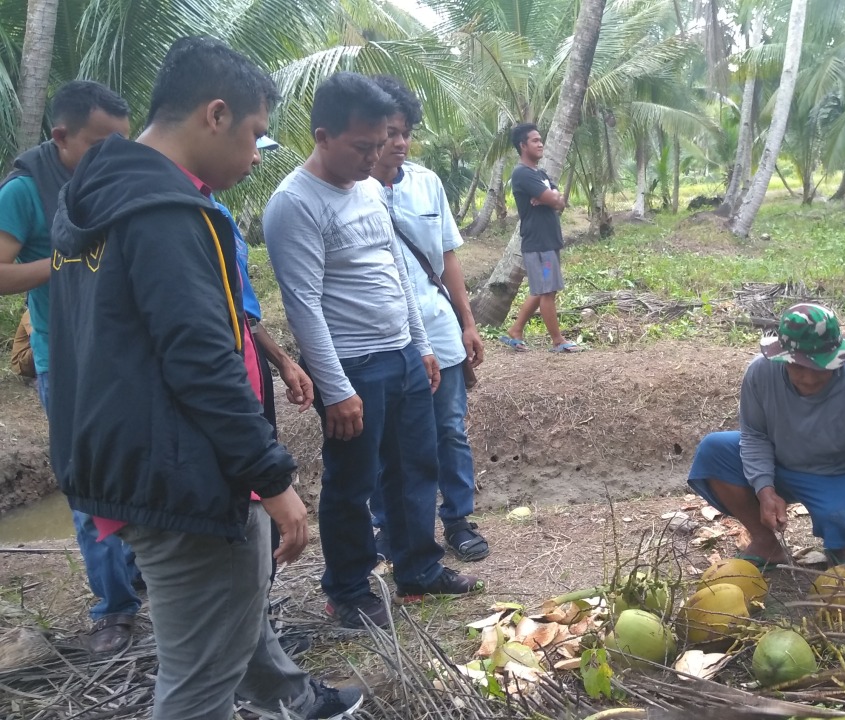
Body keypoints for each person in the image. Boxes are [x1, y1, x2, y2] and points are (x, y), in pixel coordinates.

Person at [48, 36, 361, 719]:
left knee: (220, 623)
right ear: (214, 115)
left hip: (125, 464)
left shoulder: (93, 201)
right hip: (185, 474)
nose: (255, 157)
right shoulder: (166, 214)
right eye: (254, 134)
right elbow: (201, 361)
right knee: (196, 690)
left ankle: (292, 697)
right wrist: (272, 478)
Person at [263, 72, 483, 631]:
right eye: (362, 146)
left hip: (403, 355)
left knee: (416, 464)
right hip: (353, 365)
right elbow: (304, 306)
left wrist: (421, 346)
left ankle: (418, 568)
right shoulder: (293, 204)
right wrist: (335, 389)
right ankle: (349, 588)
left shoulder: (366, 189)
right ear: (322, 135)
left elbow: (396, 276)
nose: (373, 156)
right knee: (352, 482)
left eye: (379, 143)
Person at [0, 80, 141, 655]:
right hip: (69, 358)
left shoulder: (115, 176)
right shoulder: (25, 189)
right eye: (99, 143)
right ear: (60, 136)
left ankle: (139, 576)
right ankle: (114, 610)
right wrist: (65, 262)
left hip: (124, 353)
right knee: (89, 487)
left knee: (134, 472)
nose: (115, 155)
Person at [687, 303, 845, 594]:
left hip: (841, 474)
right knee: (713, 451)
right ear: (781, 357)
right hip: (780, 463)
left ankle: (840, 545)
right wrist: (765, 489)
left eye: (820, 367)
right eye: (798, 366)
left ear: (837, 359)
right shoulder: (761, 374)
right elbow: (755, 435)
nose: (809, 377)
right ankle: (766, 543)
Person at [365, 75, 489, 563]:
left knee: (450, 430)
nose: (399, 142)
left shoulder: (427, 183)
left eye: (405, 132)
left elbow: (447, 258)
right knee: (387, 439)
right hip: (387, 338)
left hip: (438, 326)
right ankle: (389, 525)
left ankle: (457, 518)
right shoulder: (352, 191)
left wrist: (468, 321)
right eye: (390, 132)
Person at [499, 123, 584, 353]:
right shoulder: (522, 174)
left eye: (541, 140)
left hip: (548, 241)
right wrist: (549, 197)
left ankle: (516, 331)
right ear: (522, 145)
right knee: (547, 291)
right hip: (538, 244)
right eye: (535, 140)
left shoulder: (541, 174)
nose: (541, 144)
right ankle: (558, 341)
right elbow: (552, 198)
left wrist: (550, 198)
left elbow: (560, 201)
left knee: (542, 290)